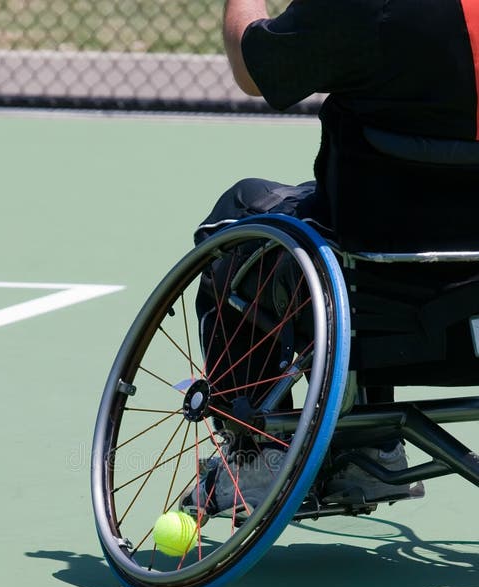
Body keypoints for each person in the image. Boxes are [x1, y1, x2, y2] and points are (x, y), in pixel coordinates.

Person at [182, 0, 479, 516]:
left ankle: (257, 459)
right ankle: (369, 447)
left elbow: (256, 69)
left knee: (238, 218)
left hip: (389, 300)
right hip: (465, 316)